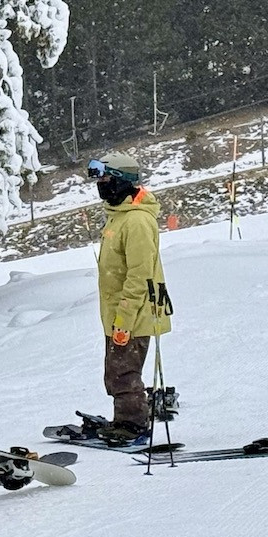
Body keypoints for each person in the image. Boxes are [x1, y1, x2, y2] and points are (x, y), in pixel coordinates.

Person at [87, 152, 171, 443]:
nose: (101, 185)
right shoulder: (118, 217)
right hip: (119, 313)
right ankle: (129, 416)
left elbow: (139, 275)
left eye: (107, 178)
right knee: (116, 371)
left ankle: (132, 423)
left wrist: (124, 319)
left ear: (123, 181)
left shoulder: (135, 222)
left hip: (133, 313)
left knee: (122, 372)